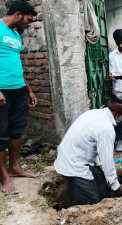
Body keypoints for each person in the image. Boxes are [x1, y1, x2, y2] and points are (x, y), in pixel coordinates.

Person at [54, 91, 122, 205]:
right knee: (91, 203)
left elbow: (91, 145)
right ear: (118, 114)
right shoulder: (106, 128)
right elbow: (107, 161)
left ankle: (104, 200)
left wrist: (100, 165)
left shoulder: (94, 113)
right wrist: (116, 186)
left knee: (101, 180)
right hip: (75, 165)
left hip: (72, 157)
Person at [0, 0, 37, 194]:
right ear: (18, 15)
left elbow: (17, 65)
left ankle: (15, 168)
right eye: (28, 20)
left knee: (16, 131)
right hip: (2, 91)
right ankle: (4, 177)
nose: (29, 24)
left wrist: (28, 90)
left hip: (18, 89)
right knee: (1, 134)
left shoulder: (15, 35)